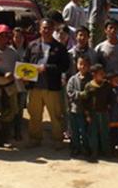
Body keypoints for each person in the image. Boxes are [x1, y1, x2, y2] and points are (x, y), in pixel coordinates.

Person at [24, 18, 70, 150]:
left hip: (52, 86)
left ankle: (58, 140)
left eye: (49, 28)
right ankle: (34, 138)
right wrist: (24, 76)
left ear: (53, 30)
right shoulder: (32, 45)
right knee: (34, 115)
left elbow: (64, 66)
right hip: (34, 87)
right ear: (40, 29)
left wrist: (47, 68)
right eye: (44, 28)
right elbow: (25, 62)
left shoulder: (60, 48)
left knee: (56, 115)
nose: (46, 30)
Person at [82, 63, 112, 162]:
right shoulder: (89, 86)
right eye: (100, 73)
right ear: (94, 75)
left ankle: (106, 151)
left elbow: (110, 97)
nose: (103, 75)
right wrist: (87, 114)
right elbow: (85, 101)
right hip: (93, 113)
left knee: (104, 132)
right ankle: (93, 152)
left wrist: (109, 106)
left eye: (103, 73)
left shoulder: (106, 85)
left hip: (104, 113)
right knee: (93, 133)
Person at [66, 55, 91, 157]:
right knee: (74, 130)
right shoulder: (72, 79)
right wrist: (80, 94)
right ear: (77, 65)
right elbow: (69, 92)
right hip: (74, 109)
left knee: (85, 131)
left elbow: (91, 93)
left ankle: (86, 147)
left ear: (89, 66)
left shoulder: (91, 79)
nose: (82, 66)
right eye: (80, 64)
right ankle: (76, 147)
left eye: (85, 65)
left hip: (86, 111)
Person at [11, 27, 28, 141]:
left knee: (20, 109)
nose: (18, 39)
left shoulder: (27, 51)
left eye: (20, 37)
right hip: (11, 85)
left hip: (22, 86)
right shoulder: (9, 50)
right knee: (11, 109)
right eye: (16, 37)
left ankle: (18, 131)